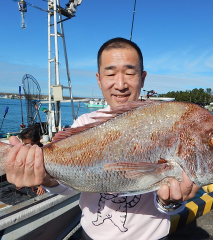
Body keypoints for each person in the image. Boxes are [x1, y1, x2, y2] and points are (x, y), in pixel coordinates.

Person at [5, 37, 200, 240]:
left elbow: (170, 205)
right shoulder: (84, 122)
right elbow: (69, 188)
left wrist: (170, 202)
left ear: (142, 78)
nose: (121, 84)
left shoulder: (165, 123)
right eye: (111, 73)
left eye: (130, 73)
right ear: (99, 80)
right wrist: (45, 178)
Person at [17, 125, 46, 196]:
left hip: (40, 183)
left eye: (29, 144)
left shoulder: (44, 153)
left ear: (38, 141)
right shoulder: (27, 150)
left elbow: (48, 172)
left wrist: (42, 185)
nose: (27, 146)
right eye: (25, 144)